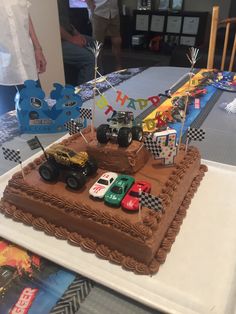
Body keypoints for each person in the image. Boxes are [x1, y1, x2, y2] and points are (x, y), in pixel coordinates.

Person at [0, 0, 47, 116]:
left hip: (27, 61)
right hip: (4, 70)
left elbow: (25, 14)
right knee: (10, 120)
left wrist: (38, 48)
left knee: (38, 114)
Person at [57, 0, 95, 86]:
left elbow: (65, 22)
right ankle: (85, 95)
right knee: (89, 59)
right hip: (57, 42)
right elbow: (53, 23)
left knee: (95, 44)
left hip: (67, 35)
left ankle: (96, 83)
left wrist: (77, 33)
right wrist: (71, 39)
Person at [85, 0, 122, 71]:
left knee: (117, 41)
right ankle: (98, 70)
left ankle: (119, 66)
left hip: (113, 11)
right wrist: (92, 11)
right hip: (98, 12)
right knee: (97, 44)